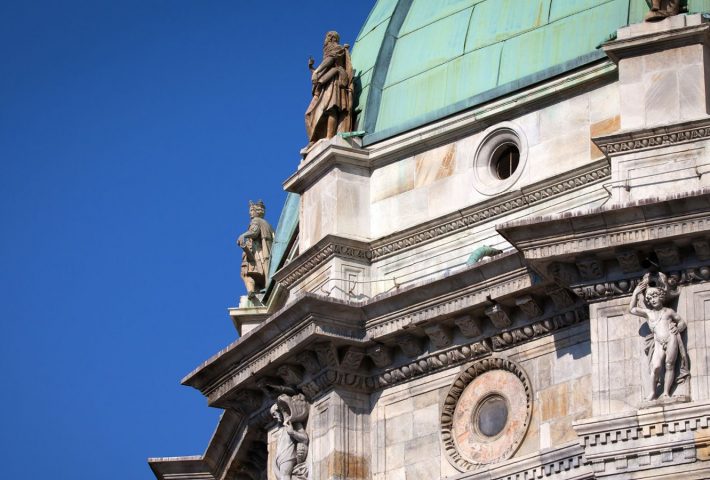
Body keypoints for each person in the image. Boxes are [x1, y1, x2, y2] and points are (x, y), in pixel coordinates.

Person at [629, 272, 689, 400]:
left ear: (661, 297)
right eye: (650, 298)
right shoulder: (648, 313)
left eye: (655, 296)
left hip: (671, 338)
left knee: (669, 365)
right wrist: (635, 293)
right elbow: (632, 309)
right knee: (655, 367)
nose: (653, 300)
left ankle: (666, 392)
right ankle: (652, 392)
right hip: (658, 342)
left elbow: (682, 322)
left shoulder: (668, 311)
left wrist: (677, 328)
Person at [305, 31, 353, 146]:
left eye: (326, 38)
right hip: (327, 82)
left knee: (332, 107)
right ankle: (319, 137)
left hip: (335, 82)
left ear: (331, 38)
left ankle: (329, 136)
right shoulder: (329, 52)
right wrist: (312, 68)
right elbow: (325, 67)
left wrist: (317, 71)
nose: (325, 41)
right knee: (314, 112)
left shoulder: (337, 49)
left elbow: (330, 61)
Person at [237, 201, 274, 298]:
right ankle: (260, 289)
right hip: (267, 250)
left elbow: (254, 232)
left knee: (247, 273)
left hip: (260, 252)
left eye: (252, 210)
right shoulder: (268, 224)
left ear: (257, 212)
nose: (250, 213)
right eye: (250, 210)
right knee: (265, 269)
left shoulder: (256, 221)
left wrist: (243, 235)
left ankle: (256, 290)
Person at [271, 394, 309, 480]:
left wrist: (292, 432)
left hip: (288, 456)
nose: (275, 417)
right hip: (279, 458)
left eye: (276, 413)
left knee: (284, 476)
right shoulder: (282, 429)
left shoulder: (293, 423)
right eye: (274, 415)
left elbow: (305, 438)